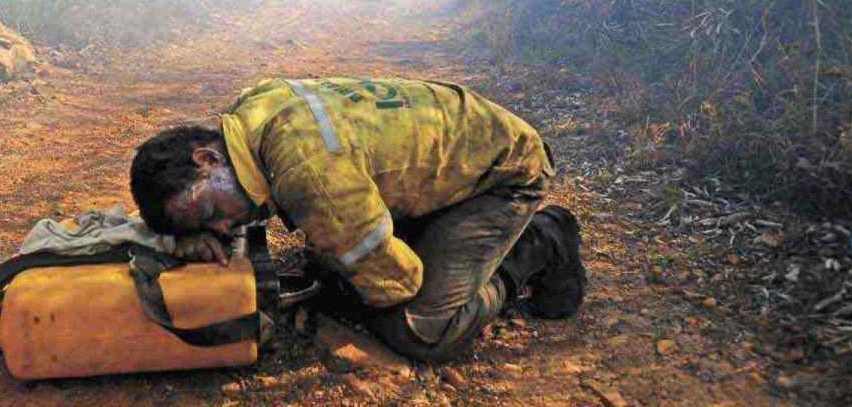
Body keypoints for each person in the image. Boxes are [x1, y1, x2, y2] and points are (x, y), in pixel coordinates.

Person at [129, 77, 586, 361]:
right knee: (334, 261)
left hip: (501, 175)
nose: (224, 229)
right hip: (451, 159)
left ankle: (543, 239)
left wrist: (345, 282)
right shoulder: (251, 115)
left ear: (207, 157)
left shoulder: (310, 177)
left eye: (211, 215)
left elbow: (399, 284)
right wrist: (194, 236)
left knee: (420, 330)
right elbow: (250, 196)